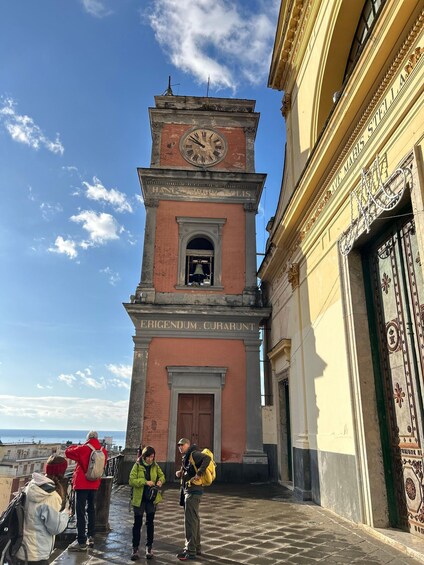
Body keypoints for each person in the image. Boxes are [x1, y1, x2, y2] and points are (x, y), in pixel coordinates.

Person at [15, 455, 69, 565]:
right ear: (61, 473)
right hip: (36, 553)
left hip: (20, 549)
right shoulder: (50, 496)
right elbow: (55, 528)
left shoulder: (31, 486)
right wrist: (66, 514)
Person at [65, 430, 107, 551]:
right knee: (91, 510)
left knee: (80, 512)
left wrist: (77, 446)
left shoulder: (83, 449)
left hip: (82, 484)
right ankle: (91, 536)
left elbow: (67, 452)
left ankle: (81, 541)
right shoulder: (103, 450)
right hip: (94, 483)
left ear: (88, 438)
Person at [175, 438, 211, 561]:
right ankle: (196, 547)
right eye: (178, 445)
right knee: (194, 520)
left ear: (188, 445)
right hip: (190, 491)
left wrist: (199, 473)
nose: (180, 447)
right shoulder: (186, 457)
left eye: (182, 445)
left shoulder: (194, 454)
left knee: (190, 522)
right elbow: (189, 470)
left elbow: (207, 458)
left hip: (193, 492)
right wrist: (181, 472)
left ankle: (190, 551)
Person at [129, 445, 165, 561]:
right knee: (137, 524)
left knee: (150, 523)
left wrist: (160, 481)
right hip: (139, 499)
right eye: (149, 457)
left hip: (151, 499)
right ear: (144, 456)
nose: (151, 459)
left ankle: (149, 548)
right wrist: (145, 482)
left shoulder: (155, 466)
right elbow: (131, 480)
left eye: (152, 457)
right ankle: (135, 549)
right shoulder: (137, 465)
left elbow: (162, 476)